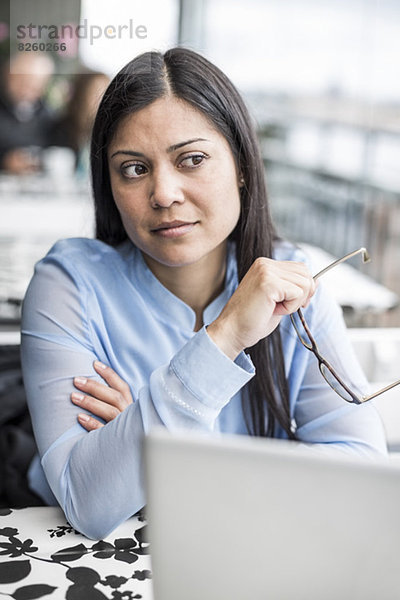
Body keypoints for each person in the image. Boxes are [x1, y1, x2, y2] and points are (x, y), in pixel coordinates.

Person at [21, 48, 387, 540]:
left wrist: (147, 438)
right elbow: (88, 501)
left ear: (240, 164)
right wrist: (224, 337)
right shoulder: (68, 283)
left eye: (191, 159)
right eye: (133, 168)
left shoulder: (292, 287)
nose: (165, 193)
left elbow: (361, 471)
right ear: (108, 185)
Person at [0, 52, 55, 173]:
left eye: (35, 83)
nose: (27, 88)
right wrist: (4, 160)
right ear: (8, 76)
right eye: (22, 80)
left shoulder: (49, 116)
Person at [51, 70, 110, 176]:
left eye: (106, 92)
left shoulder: (110, 130)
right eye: (97, 92)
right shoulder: (61, 128)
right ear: (82, 94)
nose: (103, 98)